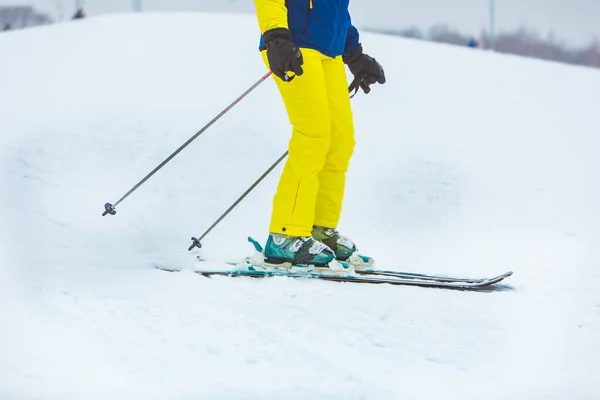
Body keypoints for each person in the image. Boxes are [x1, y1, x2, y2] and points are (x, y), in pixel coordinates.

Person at [253, 0, 385, 269]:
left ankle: (318, 229)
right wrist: (276, 37)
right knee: (313, 135)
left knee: (340, 140)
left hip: (330, 52)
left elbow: (336, 9)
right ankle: (284, 234)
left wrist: (355, 54)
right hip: (294, 47)